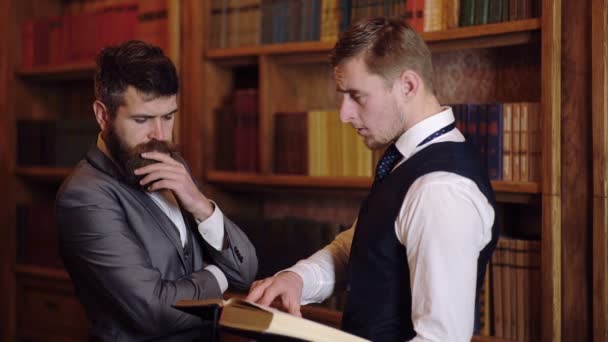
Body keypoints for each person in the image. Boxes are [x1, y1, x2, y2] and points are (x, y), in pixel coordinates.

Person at [247, 17, 498, 341]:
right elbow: (362, 245)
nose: (344, 114)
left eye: (357, 96)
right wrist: (297, 279)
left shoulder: (440, 191)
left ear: (408, 86)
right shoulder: (408, 160)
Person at [56, 40, 258, 341]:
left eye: (168, 116)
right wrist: (218, 275)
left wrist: (200, 204)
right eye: (142, 120)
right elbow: (153, 311)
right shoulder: (84, 197)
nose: (161, 135)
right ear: (103, 115)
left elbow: (245, 272)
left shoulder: (171, 165)